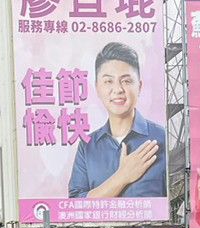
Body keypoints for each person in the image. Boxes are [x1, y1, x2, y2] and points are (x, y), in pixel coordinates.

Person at [68, 41, 168, 200]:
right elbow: (75, 204)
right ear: (97, 88)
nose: (118, 90)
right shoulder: (88, 146)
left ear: (139, 86)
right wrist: (122, 177)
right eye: (108, 81)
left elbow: (178, 198)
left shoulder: (163, 138)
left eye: (126, 81)